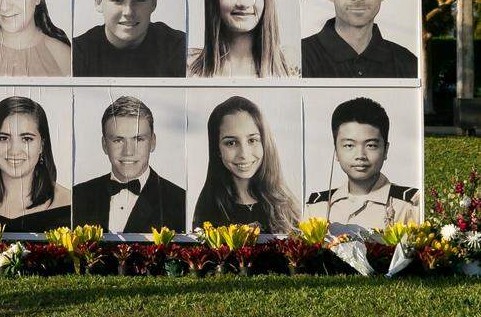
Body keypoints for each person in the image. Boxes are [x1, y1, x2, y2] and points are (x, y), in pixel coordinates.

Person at [72, 96, 185, 232]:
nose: (128, 152)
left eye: (138, 139)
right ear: (104, 145)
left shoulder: (181, 202)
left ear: (153, 142)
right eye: (118, 140)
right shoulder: (77, 196)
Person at [0, 96, 71, 232]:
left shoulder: (70, 206)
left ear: (42, 145)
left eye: (26, 139)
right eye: (3, 138)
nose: (14, 150)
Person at [192, 95, 300, 233]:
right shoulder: (207, 210)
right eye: (231, 143)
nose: (244, 154)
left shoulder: (288, 207)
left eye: (252, 140)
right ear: (217, 149)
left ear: (265, 143)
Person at [306, 97, 419, 228]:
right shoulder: (317, 207)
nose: (360, 156)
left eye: (370, 145)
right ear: (336, 151)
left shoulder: (409, 205)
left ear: (385, 150)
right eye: (349, 145)